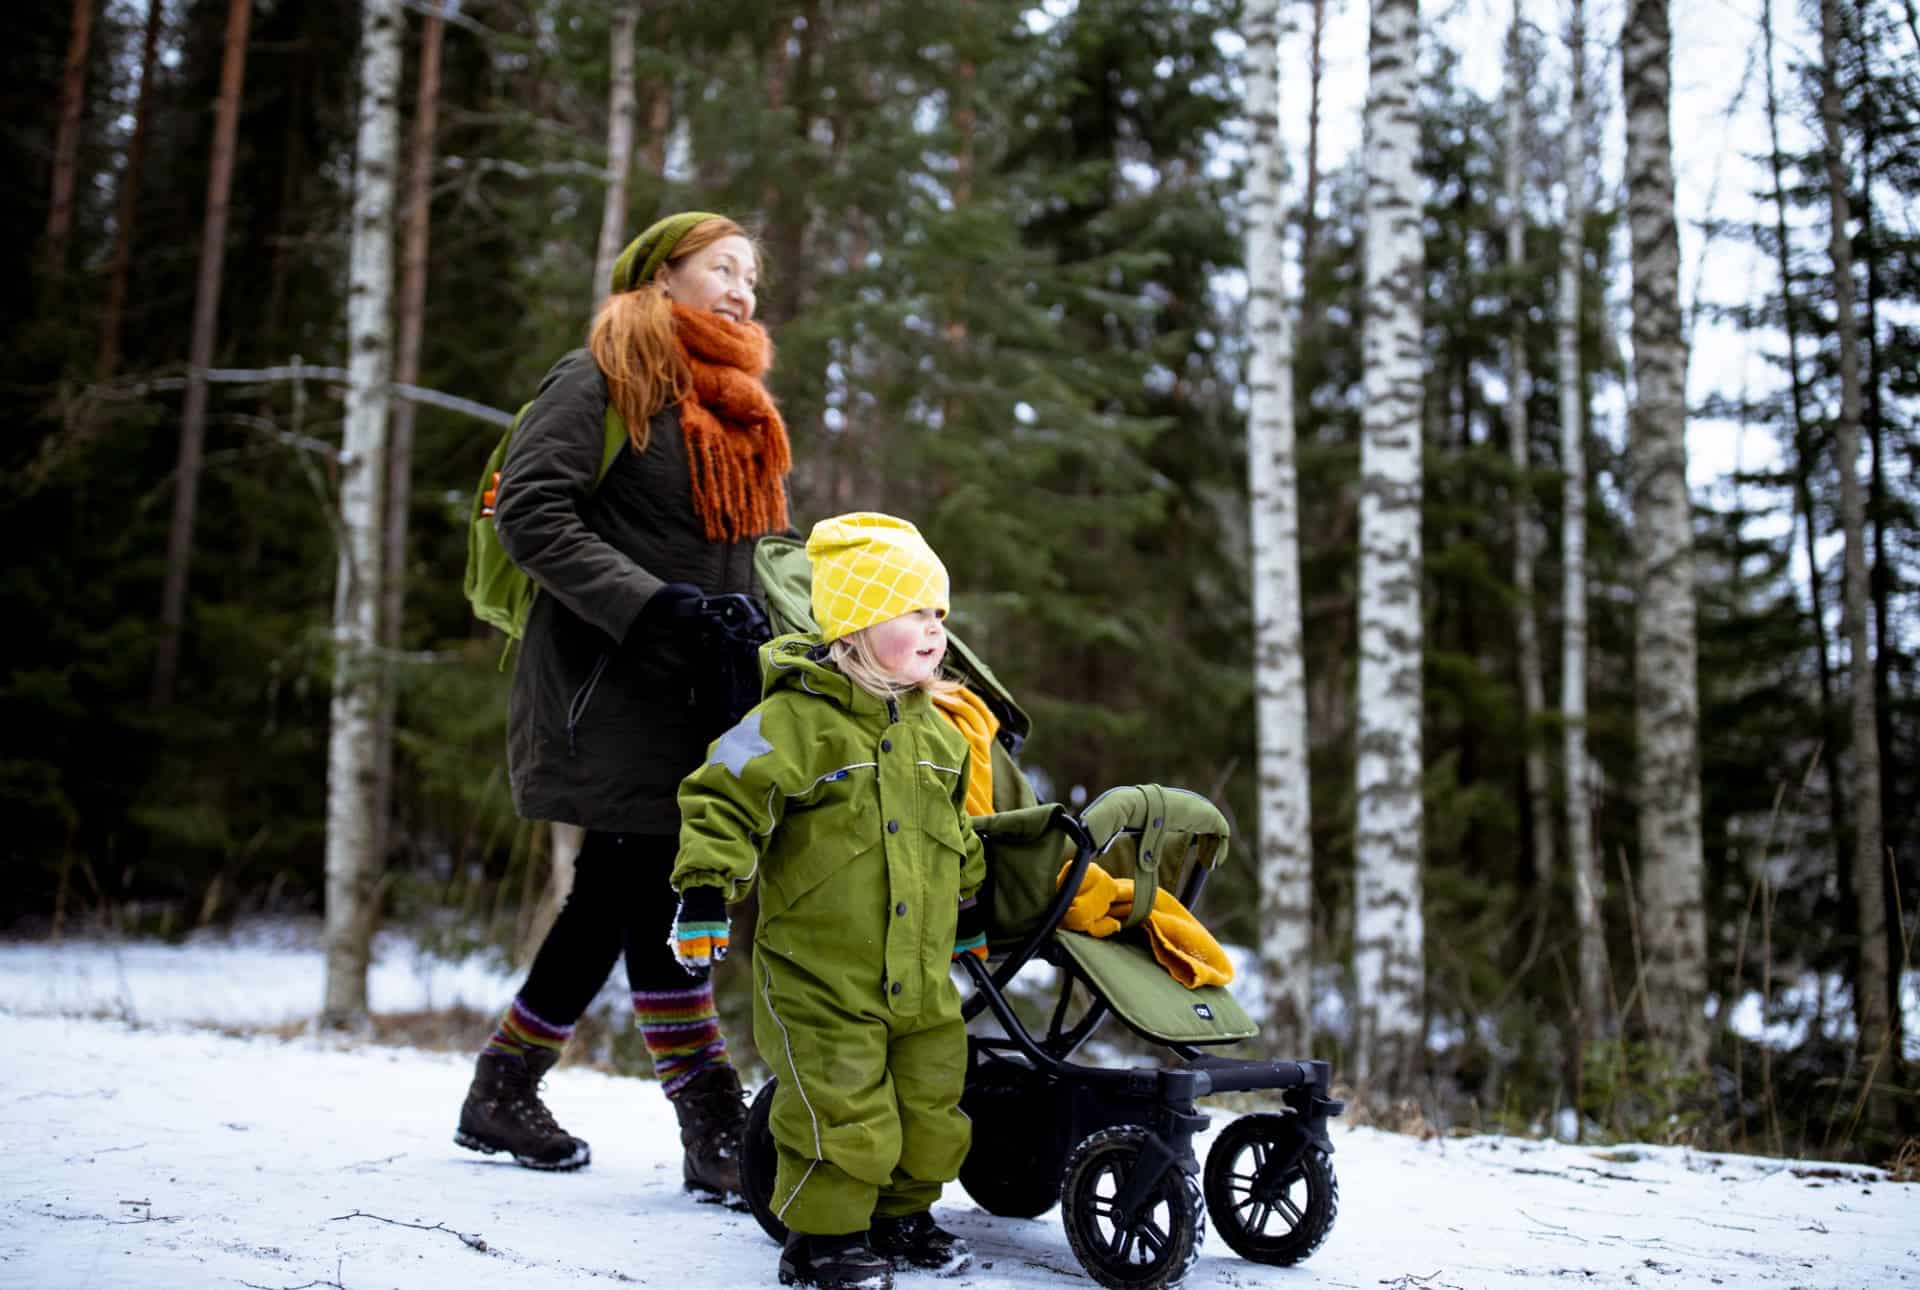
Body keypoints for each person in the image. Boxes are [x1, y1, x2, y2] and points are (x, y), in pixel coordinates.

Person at [454, 212, 791, 1203]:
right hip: (613, 682)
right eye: (721, 268)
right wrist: (648, 607)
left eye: (751, 278)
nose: (740, 289)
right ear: (664, 272)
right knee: (660, 878)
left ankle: (503, 1084)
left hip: (703, 689)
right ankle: (711, 1116)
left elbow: (753, 554)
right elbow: (531, 511)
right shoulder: (603, 374)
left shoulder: (736, 409)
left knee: (619, 887)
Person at [670, 513, 1000, 1290]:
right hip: (821, 975)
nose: (934, 630)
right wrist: (707, 891)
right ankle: (822, 1240)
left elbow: (958, 832)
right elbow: (721, 799)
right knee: (839, 1107)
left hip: (918, 978)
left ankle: (902, 1216)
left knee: (930, 1105)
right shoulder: (791, 723)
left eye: (939, 615)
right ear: (854, 624)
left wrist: (971, 912)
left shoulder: (939, 737)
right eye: (914, 611)